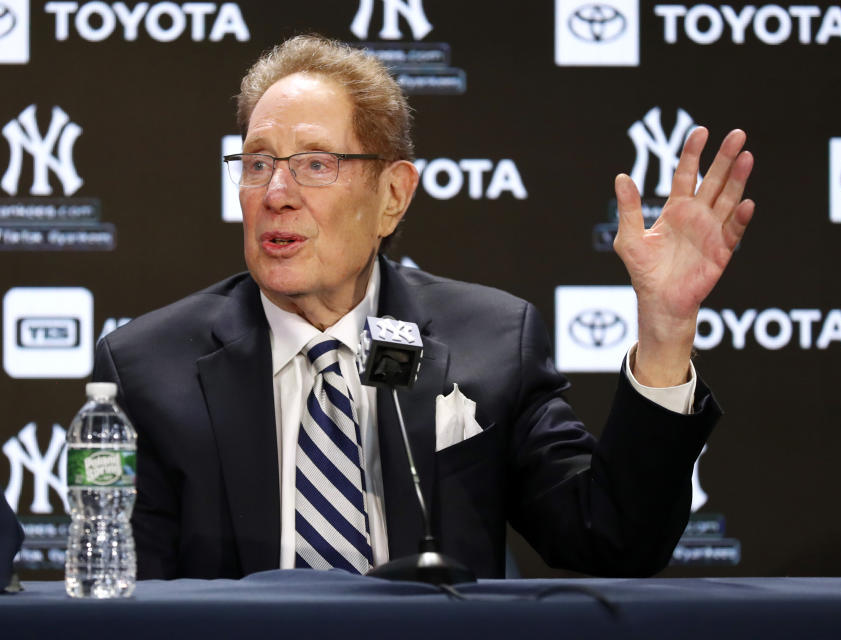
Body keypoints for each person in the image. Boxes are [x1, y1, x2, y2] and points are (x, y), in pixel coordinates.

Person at [93, 35, 754, 580]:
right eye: (258, 163)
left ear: (393, 195)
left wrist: (666, 332)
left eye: (316, 164)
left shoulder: (489, 344)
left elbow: (611, 546)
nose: (277, 192)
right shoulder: (151, 369)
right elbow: (126, 601)